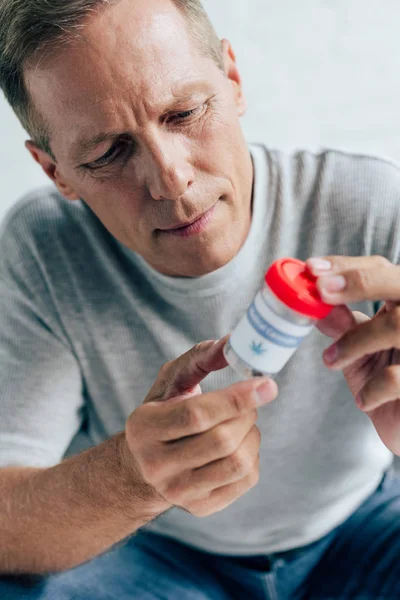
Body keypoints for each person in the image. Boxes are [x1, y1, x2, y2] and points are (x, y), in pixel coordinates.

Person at [0, 0, 400, 598]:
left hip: (361, 526)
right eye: (109, 153)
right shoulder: (44, 246)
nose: (171, 179)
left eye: (185, 112)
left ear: (233, 80)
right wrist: (135, 479)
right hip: (161, 554)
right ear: (56, 172)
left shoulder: (370, 204)